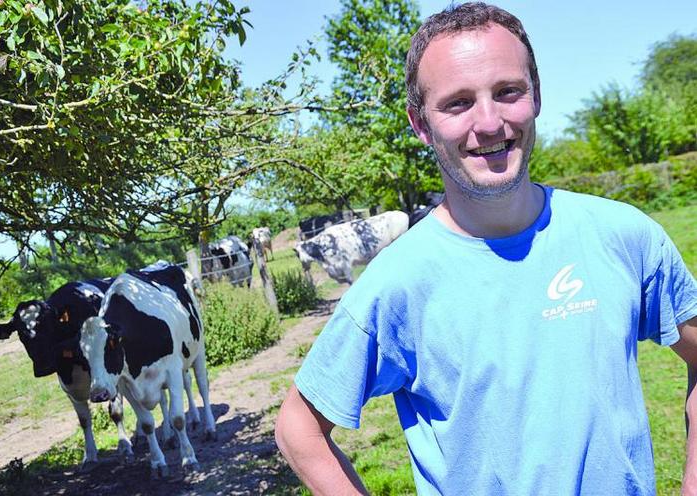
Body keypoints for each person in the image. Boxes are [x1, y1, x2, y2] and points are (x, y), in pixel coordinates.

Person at [274, 2, 697, 495]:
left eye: (507, 91)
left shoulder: (624, 235)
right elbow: (298, 429)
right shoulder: (398, 283)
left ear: (536, 95)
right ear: (420, 123)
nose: (490, 122)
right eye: (458, 103)